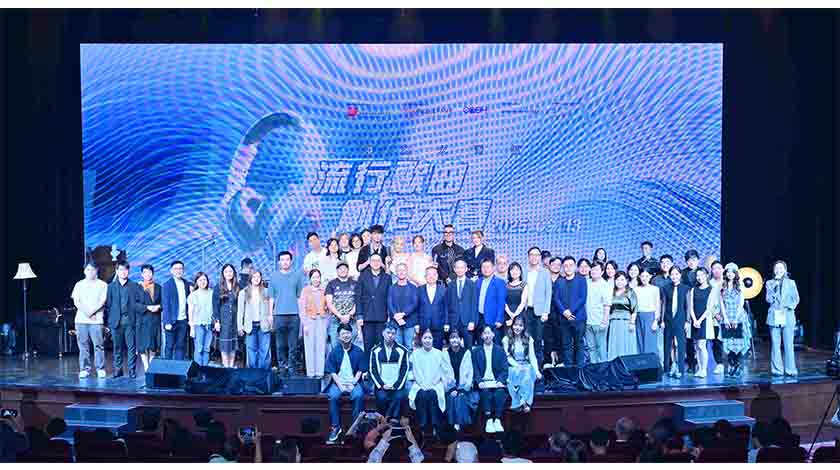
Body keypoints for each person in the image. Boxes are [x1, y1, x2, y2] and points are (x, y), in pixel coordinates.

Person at [324, 323, 366, 444]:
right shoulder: (334, 352)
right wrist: (341, 386)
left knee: (358, 395)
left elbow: (360, 370)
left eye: (348, 333)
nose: (346, 336)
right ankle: (335, 427)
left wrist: (353, 383)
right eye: (343, 333)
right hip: (339, 382)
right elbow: (332, 372)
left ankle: (355, 427)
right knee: (333, 396)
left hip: (354, 381)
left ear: (352, 334)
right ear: (338, 336)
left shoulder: (358, 351)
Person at [409, 329, 453, 436]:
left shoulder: (439, 354)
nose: (427, 340)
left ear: (433, 340)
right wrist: (422, 383)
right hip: (420, 384)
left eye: (430, 338)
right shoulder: (415, 354)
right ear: (421, 340)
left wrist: (435, 382)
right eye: (425, 338)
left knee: (433, 394)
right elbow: (414, 371)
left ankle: (435, 426)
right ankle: (423, 426)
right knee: (422, 395)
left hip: (435, 384)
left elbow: (444, 371)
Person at [269, 251, 306, 375]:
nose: (285, 262)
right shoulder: (274, 276)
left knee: (293, 345)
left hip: (294, 315)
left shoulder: (297, 276)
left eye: (287, 259)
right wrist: (270, 314)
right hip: (278, 315)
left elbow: (299, 297)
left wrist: (301, 314)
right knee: (280, 345)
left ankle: (292, 368)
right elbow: (271, 298)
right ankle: (282, 367)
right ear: (279, 262)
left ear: (291, 261)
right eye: (282, 260)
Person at [71, 262, 108, 379]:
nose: (90, 272)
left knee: (98, 345)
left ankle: (100, 368)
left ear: (97, 271)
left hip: (97, 320)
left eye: (92, 270)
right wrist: (87, 313)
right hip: (81, 320)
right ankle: (84, 369)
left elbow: (102, 301)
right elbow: (76, 301)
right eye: (88, 269)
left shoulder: (103, 285)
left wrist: (92, 312)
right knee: (83, 346)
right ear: (84, 271)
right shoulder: (79, 284)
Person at [106, 261, 141, 378]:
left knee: (131, 347)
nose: (123, 272)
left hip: (130, 321)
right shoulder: (111, 287)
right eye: (121, 269)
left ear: (128, 271)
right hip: (116, 321)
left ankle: (132, 370)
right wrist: (110, 321)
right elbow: (108, 305)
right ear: (117, 271)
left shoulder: (134, 286)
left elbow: (138, 304)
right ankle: (118, 370)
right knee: (117, 347)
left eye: (125, 270)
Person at [765, 260, 800, 376]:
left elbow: (796, 299)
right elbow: (768, 299)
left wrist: (788, 307)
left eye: (781, 268)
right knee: (775, 344)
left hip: (787, 315)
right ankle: (777, 370)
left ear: (785, 270)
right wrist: (774, 287)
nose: (778, 270)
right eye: (777, 268)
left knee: (788, 344)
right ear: (774, 270)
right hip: (774, 315)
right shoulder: (769, 283)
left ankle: (790, 369)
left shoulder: (791, 283)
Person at [471, 325, 508, 433]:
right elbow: (475, 369)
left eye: (489, 333)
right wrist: (479, 381)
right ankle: (488, 420)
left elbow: (504, 369)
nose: (487, 336)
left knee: (500, 392)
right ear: (481, 336)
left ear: (493, 334)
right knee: (485, 392)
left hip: (496, 382)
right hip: (483, 383)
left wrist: (500, 381)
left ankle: (497, 419)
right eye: (484, 333)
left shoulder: (500, 350)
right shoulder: (476, 351)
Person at [369, 323, 410, 420]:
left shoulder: (402, 350)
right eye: (388, 333)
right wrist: (382, 385)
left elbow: (404, 370)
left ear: (396, 335)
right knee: (382, 397)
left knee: (399, 397)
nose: (390, 335)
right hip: (382, 385)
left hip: (397, 386)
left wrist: (395, 385)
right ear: (383, 333)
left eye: (393, 333)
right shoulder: (375, 350)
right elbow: (372, 370)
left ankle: (392, 420)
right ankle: (384, 420)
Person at [553, 256, 588, 367]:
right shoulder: (559, 281)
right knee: (566, 345)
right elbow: (556, 299)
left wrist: (570, 311)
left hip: (579, 318)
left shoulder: (581, 280)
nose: (568, 268)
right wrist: (564, 312)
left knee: (579, 344)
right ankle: (568, 369)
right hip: (563, 319)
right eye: (566, 266)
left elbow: (582, 298)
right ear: (563, 268)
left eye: (571, 265)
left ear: (575, 267)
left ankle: (580, 369)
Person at [501, 316, 541, 413]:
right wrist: (517, 366)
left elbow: (532, 357)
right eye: (515, 325)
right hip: (513, 366)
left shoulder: (529, 339)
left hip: (526, 365)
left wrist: (537, 371)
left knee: (528, 372)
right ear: (512, 326)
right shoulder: (506, 339)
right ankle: (524, 403)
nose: (517, 328)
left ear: (524, 327)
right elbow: (507, 357)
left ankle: (521, 402)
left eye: (520, 325)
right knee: (516, 373)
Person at [720, 263, 751, 377]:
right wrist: (725, 318)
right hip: (727, 316)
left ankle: (738, 366)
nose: (730, 274)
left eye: (732, 272)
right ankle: (731, 365)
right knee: (729, 342)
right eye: (728, 272)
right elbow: (721, 304)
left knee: (738, 342)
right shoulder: (722, 285)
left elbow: (741, 303)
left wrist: (736, 319)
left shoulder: (739, 285)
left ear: (735, 273)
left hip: (738, 316)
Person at [357, 253, 391, 357]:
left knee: (382, 347)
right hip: (367, 316)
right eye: (373, 260)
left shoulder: (387, 277)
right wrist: (359, 316)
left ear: (381, 263)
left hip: (382, 317)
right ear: (369, 263)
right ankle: (368, 367)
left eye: (378, 260)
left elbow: (389, 297)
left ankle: (380, 367)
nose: (376, 263)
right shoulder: (362, 276)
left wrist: (389, 315)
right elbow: (358, 297)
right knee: (368, 347)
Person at [237, 270, 273, 369]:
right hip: (250, 325)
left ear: (261, 278)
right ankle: (253, 373)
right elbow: (240, 311)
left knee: (264, 350)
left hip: (264, 325)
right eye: (254, 277)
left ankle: (263, 373)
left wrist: (271, 322)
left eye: (258, 277)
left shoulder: (266, 291)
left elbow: (271, 308)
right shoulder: (243, 292)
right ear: (250, 279)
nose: (256, 279)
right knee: (251, 351)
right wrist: (240, 326)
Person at [523, 247, 552, 366]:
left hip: (540, 312)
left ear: (540, 257)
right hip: (526, 311)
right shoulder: (524, 272)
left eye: (537, 255)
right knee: (527, 339)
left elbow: (548, 293)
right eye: (531, 254)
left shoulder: (545, 272)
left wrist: (546, 311)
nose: (534, 257)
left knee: (538, 340)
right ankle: (529, 366)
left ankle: (539, 368)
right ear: (528, 257)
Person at [443, 330, 477, 429]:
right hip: (450, 386)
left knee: (461, 397)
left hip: (464, 385)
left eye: (456, 337)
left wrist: (462, 389)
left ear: (460, 339)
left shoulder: (466, 352)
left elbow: (470, 372)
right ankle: (454, 427)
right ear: (449, 340)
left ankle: (462, 427)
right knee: (452, 397)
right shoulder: (445, 354)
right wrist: (452, 389)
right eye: (452, 338)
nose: (454, 340)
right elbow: (444, 373)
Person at [299, 269, 329, 378]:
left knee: (321, 346)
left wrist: (326, 320)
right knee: (309, 347)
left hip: (321, 319)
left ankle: (320, 372)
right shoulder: (305, 290)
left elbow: (328, 306)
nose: (316, 279)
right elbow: (302, 308)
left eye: (318, 277)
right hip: (309, 320)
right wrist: (305, 324)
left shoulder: (324, 290)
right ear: (310, 279)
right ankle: (311, 373)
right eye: (314, 277)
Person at [661, 266, 690, 378]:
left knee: (679, 344)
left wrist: (687, 321)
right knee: (669, 344)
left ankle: (680, 367)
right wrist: (662, 320)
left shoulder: (686, 288)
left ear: (680, 275)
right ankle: (672, 365)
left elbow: (687, 306)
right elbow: (664, 305)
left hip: (681, 319)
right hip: (668, 319)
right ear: (670, 275)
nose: (674, 276)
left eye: (676, 274)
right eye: (672, 274)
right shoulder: (665, 288)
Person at [688, 268, 717, 378]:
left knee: (701, 345)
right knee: (696, 346)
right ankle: (699, 368)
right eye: (698, 275)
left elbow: (709, 308)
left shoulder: (711, 289)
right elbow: (690, 307)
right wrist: (694, 320)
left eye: (701, 275)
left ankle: (704, 369)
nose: (699, 277)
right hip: (694, 320)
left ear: (706, 276)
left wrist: (699, 320)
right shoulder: (693, 289)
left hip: (704, 320)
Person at [325, 261, 359, 351]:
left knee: (352, 347)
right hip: (336, 320)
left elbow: (358, 301)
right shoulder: (331, 284)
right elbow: (329, 303)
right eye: (340, 268)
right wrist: (340, 316)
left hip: (351, 320)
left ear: (348, 270)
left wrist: (349, 315)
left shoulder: (355, 284)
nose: (342, 270)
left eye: (344, 268)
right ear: (337, 270)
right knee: (335, 346)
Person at [161, 260, 192, 360]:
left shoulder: (187, 284)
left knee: (180, 346)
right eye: (176, 269)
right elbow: (165, 305)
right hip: (171, 321)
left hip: (183, 320)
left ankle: (178, 367)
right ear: (171, 271)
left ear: (183, 270)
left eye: (180, 268)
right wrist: (167, 322)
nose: (178, 271)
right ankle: (167, 368)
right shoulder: (167, 285)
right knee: (169, 346)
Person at [135, 264, 162, 372]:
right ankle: (146, 366)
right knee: (142, 345)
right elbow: (134, 304)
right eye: (145, 272)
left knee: (153, 344)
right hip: (142, 320)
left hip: (154, 320)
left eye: (150, 272)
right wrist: (147, 307)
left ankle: (151, 365)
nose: (147, 274)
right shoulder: (137, 287)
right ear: (142, 274)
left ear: (153, 274)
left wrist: (159, 306)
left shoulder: (159, 287)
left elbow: (164, 302)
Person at [212, 264, 240, 368]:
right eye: (226, 271)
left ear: (234, 273)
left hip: (235, 321)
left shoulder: (238, 287)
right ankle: (226, 368)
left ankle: (231, 368)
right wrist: (217, 322)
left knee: (233, 347)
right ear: (223, 274)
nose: (229, 273)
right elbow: (215, 306)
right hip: (223, 321)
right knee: (224, 347)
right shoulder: (218, 287)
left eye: (230, 271)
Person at [447, 260, 478, 350]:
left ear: (466, 269)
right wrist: (447, 322)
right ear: (454, 269)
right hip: (454, 321)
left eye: (462, 268)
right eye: (457, 268)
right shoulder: (450, 285)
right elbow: (448, 304)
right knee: (453, 348)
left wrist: (472, 321)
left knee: (468, 349)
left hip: (467, 322)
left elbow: (474, 304)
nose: (459, 270)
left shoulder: (472, 284)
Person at [607, 272, 639, 360]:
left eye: (622, 280)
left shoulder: (630, 292)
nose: (619, 282)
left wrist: (632, 323)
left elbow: (635, 309)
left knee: (626, 344)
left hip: (626, 322)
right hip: (614, 323)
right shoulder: (611, 292)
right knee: (615, 344)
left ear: (626, 281)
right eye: (617, 279)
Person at [585, 262, 612, 364]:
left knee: (601, 348)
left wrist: (604, 322)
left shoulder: (605, 285)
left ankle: (602, 370)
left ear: (602, 272)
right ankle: (594, 368)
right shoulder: (587, 282)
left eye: (596, 269)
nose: (593, 271)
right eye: (592, 269)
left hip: (599, 322)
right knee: (591, 348)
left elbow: (607, 305)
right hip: (587, 322)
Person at [417, 266, 449, 349]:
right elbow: (416, 308)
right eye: (429, 274)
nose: (431, 276)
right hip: (423, 324)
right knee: (424, 351)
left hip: (439, 325)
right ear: (425, 276)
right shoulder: (419, 290)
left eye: (434, 274)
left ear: (437, 276)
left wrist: (446, 322)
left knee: (438, 350)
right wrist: (416, 324)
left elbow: (446, 307)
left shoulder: (443, 289)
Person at [388, 262, 419, 349]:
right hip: (395, 323)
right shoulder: (391, 288)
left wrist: (403, 314)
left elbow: (414, 303)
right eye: (399, 270)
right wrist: (396, 316)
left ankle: (408, 360)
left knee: (409, 346)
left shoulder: (413, 288)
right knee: (397, 347)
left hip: (409, 322)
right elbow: (390, 303)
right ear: (396, 272)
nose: (401, 272)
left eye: (403, 270)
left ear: (407, 271)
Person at [476, 259, 507, 345]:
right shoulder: (478, 282)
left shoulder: (499, 282)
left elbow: (501, 303)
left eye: (488, 267)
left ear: (493, 268)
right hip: (480, 318)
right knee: (480, 345)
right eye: (483, 267)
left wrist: (499, 319)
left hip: (493, 320)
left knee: (495, 345)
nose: (486, 269)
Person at [187, 272, 214, 366]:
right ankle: (198, 371)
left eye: (204, 280)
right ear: (196, 282)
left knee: (207, 349)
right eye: (200, 280)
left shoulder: (212, 293)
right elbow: (190, 313)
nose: (203, 282)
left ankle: (205, 370)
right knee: (199, 349)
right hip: (198, 325)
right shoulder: (193, 295)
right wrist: (192, 328)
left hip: (209, 325)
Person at [682, 249, 701, 373]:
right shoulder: (682, 273)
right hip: (686, 307)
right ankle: (691, 363)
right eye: (688, 260)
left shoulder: (702, 272)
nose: (691, 262)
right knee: (688, 338)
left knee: (700, 338)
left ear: (698, 260)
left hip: (700, 306)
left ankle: (700, 363)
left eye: (693, 259)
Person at [635, 269, 661, 356]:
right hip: (638, 316)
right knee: (640, 342)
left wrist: (656, 321)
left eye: (647, 276)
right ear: (639, 277)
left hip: (650, 316)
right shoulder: (636, 289)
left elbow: (657, 305)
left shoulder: (655, 289)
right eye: (642, 276)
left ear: (650, 277)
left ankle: (651, 362)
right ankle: (641, 362)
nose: (644, 278)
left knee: (650, 342)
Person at [545, 256, 564, 366]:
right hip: (546, 313)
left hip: (560, 314)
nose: (556, 266)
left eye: (558, 265)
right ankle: (548, 361)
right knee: (547, 338)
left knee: (560, 337)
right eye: (553, 264)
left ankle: (560, 360)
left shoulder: (563, 279)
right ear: (549, 265)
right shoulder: (544, 279)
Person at [709, 260, 726, 374]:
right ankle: (719, 363)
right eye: (714, 268)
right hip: (714, 317)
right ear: (711, 270)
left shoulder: (728, 282)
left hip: (729, 317)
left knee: (731, 341)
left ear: (723, 270)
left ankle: (733, 364)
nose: (717, 270)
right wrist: (715, 314)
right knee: (716, 342)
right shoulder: (709, 283)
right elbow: (707, 301)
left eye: (719, 268)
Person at [504, 262, 528, 330]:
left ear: (520, 272)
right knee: (507, 334)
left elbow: (523, 302)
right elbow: (503, 302)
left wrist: (514, 315)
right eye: (512, 269)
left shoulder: (524, 285)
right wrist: (510, 313)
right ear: (509, 272)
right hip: (507, 313)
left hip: (520, 313)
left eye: (517, 269)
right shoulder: (505, 285)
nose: (514, 272)